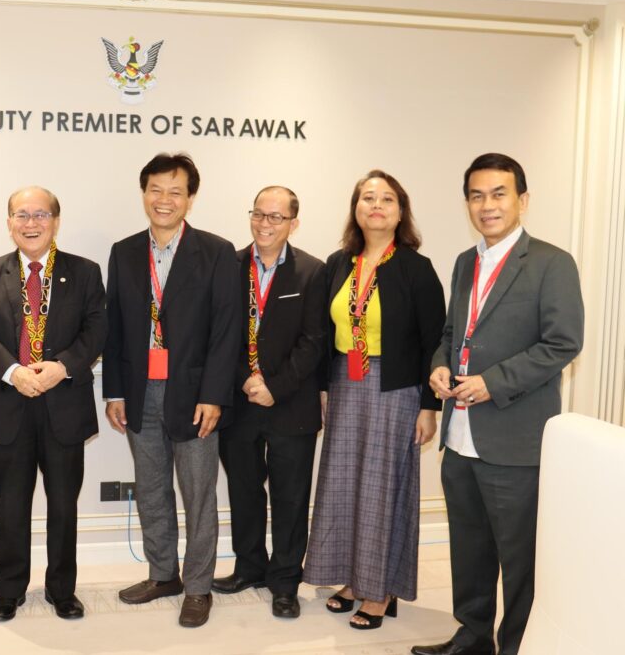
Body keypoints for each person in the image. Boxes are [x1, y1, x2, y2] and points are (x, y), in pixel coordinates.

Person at [413, 154, 584, 655]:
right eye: (476, 195)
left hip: (514, 441)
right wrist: (439, 366)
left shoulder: (552, 262)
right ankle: (472, 637)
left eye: (498, 193)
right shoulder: (465, 262)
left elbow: (562, 343)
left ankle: (517, 647)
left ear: (522, 200)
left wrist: (493, 382)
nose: (486, 205)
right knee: (469, 550)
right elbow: (452, 334)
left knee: (520, 562)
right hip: (459, 437)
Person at [303, 169, 446, 630]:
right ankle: (353, 578)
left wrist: (429, 406)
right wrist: (324, 387)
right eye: (368, 198)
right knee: (344, 484)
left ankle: (380, 589)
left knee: (382, 488)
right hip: (346, 382)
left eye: (387, 199)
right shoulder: (339, 263)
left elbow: (433, 342)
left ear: (401, 212)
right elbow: (322, 332)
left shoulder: (416, 268)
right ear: (356, 209)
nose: (376, 205)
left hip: (395, 386)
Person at [103, 153, 241, 628]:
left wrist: (214, 395)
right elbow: (115, 329)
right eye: (156, 190)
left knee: (199, 493)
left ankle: (198, 586)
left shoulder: (217, 251)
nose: (164, 200)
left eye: (175, 191)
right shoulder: (124, 252)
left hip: (195, 394)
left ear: (190, 198)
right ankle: (163, 574)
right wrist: (115, 391)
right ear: (144, 194)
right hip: (139, 391)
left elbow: (226, 330)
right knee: (151, 489)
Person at [0, 186, 107, 622]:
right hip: (9, 404)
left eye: (41, 215)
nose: (31, 224)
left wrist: (61, 368)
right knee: (10, 505)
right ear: (9, 222)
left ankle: (62, 590)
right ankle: (9, 590)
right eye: (22, 215)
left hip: (64, 403)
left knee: (63, 505)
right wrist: (15, 372)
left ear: (56, 221)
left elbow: (96, 330)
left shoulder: (84, 272)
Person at [211, 186, 328, 619]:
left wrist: (275, 386)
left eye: (276, 217)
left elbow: (314, 341)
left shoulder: (313, 271)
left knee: (290, 497)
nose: (264, 223)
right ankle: (249, 567)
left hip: (290, 403)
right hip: (240, 401)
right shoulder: (228, 265)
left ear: (293, 223)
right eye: (258, 214)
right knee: (243, 490)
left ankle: (285, 582)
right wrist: (245, 380)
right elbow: (218, 333)